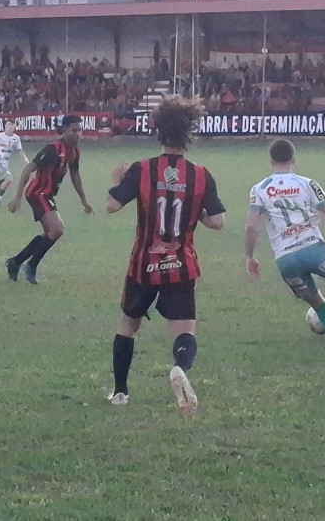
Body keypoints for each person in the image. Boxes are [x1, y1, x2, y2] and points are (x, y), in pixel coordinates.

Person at [105, 95, 226, 414]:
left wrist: (118, 182)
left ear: (158, 131)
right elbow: (218, 222)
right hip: (181, 265)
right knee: (184, 330)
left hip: (143, 265)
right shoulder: (201, 175)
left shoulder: (142, 170)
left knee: (128, 324)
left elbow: (112, 206)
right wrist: (195, 209)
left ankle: (120, 391)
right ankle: (179, 370)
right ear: (189, 134)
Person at [244, 139, 325, 357]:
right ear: (294, 160)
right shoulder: (307, 184)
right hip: (314, 249)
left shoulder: (259, 189)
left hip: (285, 260)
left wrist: (249, 256)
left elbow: (250, 226)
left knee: (318, 305)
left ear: (271, 161)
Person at [6, 115, 93, 284]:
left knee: (50, 233)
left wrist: (84, 200)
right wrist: (17, 197)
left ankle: (15, 262)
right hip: (37, 193)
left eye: (80, 130)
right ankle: (31, 265)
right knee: (57, 230)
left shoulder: (74, 151)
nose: (78, 134)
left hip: (48, 195)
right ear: (65, 130)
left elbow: (75, 175)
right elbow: (28, 170)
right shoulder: (53, 149)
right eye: (74, 131)